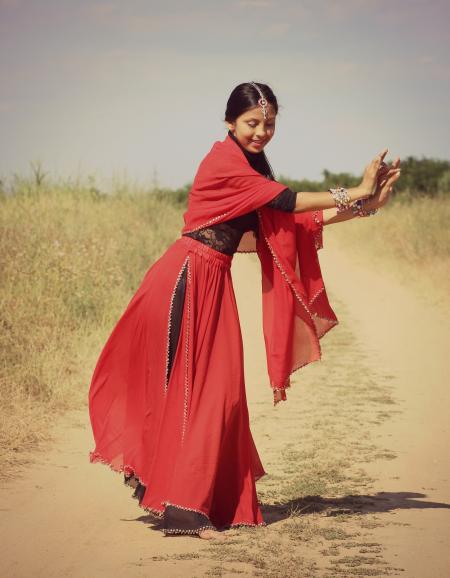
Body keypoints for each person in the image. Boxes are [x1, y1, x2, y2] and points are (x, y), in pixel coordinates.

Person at [88, 82, 401, 541]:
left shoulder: (250, 169)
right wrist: (354, 189)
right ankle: (181, 505)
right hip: (188, 278)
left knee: (222, 393)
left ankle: (196, 499)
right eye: (253, 123)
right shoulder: (225, 163)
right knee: (200, 390)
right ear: (230, 123)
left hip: (212, 281)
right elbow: (288, 201)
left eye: (269, 123)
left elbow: (287, 225)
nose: (262, 132)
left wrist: (366, 206)